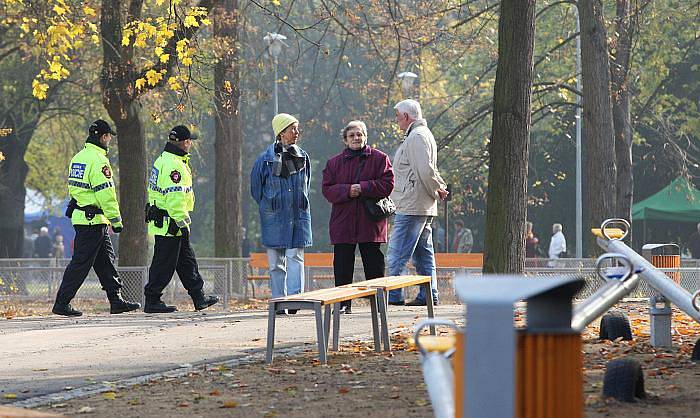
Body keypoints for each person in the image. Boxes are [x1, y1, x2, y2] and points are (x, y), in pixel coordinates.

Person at [52, 119, 140, 316]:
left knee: (106, 261)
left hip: (85, 218)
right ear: (103, 137)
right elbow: (105, 194)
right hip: (93, 221)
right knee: (80, 263)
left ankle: (116, 300)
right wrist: (116, 220)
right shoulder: (99, 161)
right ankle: (62, 302)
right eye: (109, 136)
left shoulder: (78, 157)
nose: (109, 140)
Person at [144, 125, 219, 313]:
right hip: (171, 223)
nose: (191, 144)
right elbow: (175, 197)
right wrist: (183, 223)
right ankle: (152, 300)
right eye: (190, 141)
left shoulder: (165, 159)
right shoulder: (174, 165)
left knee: (187, 262)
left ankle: (199, 297)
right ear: (186, 142)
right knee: (163, 263)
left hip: (169, 222)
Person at [322, 120, 394, 314]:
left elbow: (388, 185)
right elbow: (327, 190)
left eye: (359, 134)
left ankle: (378, 305)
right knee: (343, 266)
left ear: (365, 137)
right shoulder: (333, 163)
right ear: (345, 140)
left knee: (374, 266)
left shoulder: (380, 159)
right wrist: (347, 191)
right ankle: (343, 305)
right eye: (352, 135)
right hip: (343, 223)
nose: (356, 138)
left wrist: (363, 188)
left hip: (370, 223)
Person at [387, 99, 448, 307]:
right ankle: (428, 295)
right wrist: (438, 187)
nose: (396, 121)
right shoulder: (422, 135)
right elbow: (430, 169)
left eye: (397, 116)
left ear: (406, 116)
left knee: (397, 253)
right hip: (420, 203)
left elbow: (424, 170)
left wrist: (436, 189)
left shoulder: (416, 137)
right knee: (423, 254)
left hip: (412, 204)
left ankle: (394, 297)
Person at [251, 113, 312, 315]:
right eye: (292, 128)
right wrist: (272, 205)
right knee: (276, 262)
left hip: (297, 215)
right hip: (274, 218)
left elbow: (306, 184)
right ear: (281, 132)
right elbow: (256, 190)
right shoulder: (265, 160)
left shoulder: (303, 157)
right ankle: (279, 301)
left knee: (295, 258)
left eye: (297, 128)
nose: (296, 132)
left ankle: (295, 301)